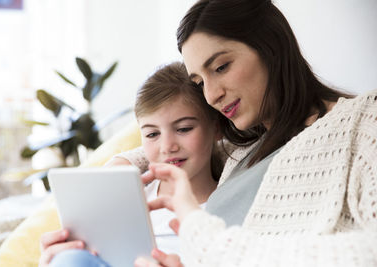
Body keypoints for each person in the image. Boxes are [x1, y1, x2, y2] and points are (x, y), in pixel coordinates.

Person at [111, 0, 376, 266]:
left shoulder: (364, 123)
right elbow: (189, 144)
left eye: (221, 67)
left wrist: (204, 236)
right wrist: (126, 163)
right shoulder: (242, 152)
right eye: (200, 83)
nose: (212, 95)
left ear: (271, 47)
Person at [38, 62, 224, 267]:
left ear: (216, 128)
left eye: (184, 129)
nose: (167, 146)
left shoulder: (231, 206)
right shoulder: (127, 199)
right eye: (152, 134)